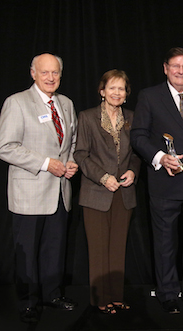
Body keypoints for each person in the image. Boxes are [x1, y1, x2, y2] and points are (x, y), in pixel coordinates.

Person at [0, 53, 78, 323]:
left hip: (59, 191)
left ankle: (52, 295)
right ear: (33, 73)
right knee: (27, 252)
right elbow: (4, 147)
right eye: (45, 73)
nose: (51, 78)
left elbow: (72, 142)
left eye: (55, 73)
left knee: (55, 249)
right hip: (29, 192)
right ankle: (28, 302)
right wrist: (45, 163)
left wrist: (72, 162)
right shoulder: (17, 102)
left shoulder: (65, 104)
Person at [130, 47, 183, 314]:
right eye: (175, 66)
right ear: (165, 68)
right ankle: (167, 294)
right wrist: (159, 158)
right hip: (167, 181)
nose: (181, 71)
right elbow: (138, 136)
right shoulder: (150, 96)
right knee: (165, 241)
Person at [74, 70, 141, 314]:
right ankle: (99, 298)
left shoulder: (133, 118)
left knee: (117, 248)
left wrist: (133, 172)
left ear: (126, 94)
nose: (116, 92)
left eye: (121, 89)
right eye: (112, 88)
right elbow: (80, 153)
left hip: (124, 193)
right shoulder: (88, 117)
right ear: (102, 91)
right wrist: (103, 178)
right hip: (96, 192)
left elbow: (136, 154)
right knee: (99, 248)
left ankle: (116, 296)